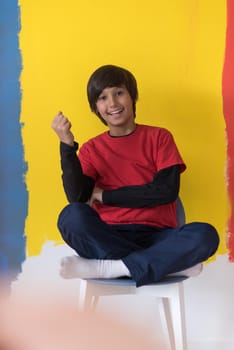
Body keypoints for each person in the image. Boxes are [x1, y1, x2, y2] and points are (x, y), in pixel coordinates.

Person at [51, 64, 219, 287]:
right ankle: (165, 264)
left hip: (158, 236)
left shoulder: (159, 137)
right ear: (96, 108)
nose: (112, 103)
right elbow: (78, 197)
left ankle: (111, 268)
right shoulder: (92, 149)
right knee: (70, 216)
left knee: (205, 235)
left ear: (132, 97)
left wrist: (105, 196)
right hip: (109, 236)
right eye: (103, 98)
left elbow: (165, 192)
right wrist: (66, 146)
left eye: (119, 93)